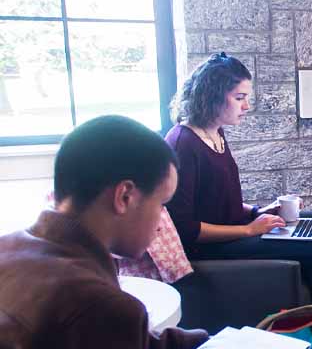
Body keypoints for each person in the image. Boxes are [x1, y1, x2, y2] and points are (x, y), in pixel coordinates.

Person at [164, 53, 312, 349]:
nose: (246, 106)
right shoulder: (183, 143)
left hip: (233, 228)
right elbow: (185, 228)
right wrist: (250, 229)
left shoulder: (215, 133)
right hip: (210, 247)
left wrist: (259, 211)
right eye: (239, 97)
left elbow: (218, 201)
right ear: (212, 96)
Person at [0, 115, 209, 349]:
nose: (161, 222)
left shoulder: (7, 247)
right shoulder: (103, 307)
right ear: (124, 197)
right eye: (162, 203)